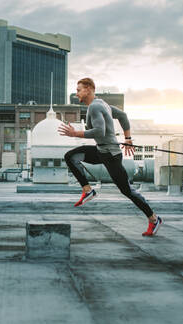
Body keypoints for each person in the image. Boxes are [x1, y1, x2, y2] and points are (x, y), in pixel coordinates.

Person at [58, 78, 162, 236]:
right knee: (71, 157)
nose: (76, 93)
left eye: (79, 89)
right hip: (102, 151)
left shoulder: (95, 106)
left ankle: (154, 219)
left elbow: (100, 131)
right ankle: (87, 190)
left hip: (111, 155)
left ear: (88, 89)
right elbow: (122, 115)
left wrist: (75, 133)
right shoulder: (103, 104)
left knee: (126, 190)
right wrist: (127, 138)